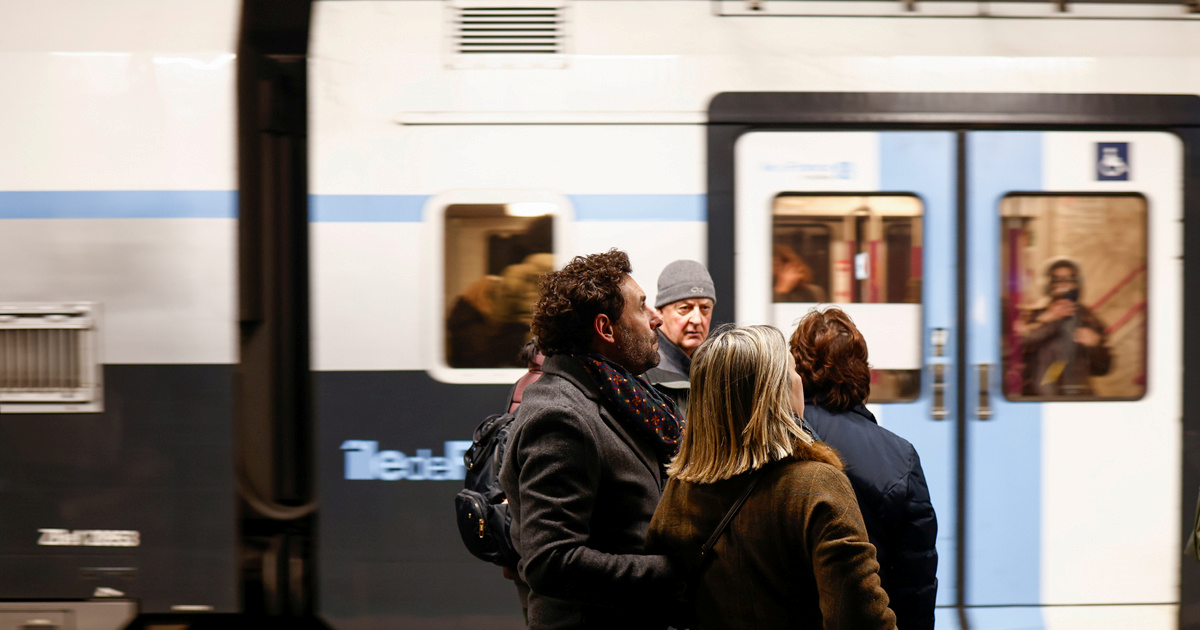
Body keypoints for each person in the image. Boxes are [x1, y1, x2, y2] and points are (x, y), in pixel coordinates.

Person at [647, 324, 896, 630]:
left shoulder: (679, 489)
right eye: (792, 371)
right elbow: (859, 616)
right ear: (774, 393)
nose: (799, 381)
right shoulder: (818, 485)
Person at [498, 249, 684, 630]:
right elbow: (551, 562)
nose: (657, 319)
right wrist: (674, 572)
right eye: (643, 307)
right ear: (606, 328)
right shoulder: (560, 417)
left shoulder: (624, 397)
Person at [789, 307, 938, 630]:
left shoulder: (776, 441)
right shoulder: (900, 457)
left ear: (795, 370)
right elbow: (916, 578)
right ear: (861, 371)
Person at [1020, 257, 1112, 396]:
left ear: (1077, 284)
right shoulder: (1034, 315)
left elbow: (1103, 369)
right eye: (1057, 279)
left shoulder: (1089, 318)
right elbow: (1020, 347)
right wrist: (1048, 319)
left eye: (1068, 279)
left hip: (1078, 399)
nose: (1063, 284)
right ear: (1048, 284)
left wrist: (1095, 345)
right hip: (1038, 399)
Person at [643, 259, 716, 415]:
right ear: (660, 312)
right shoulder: (645, 372)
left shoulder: (714, 372)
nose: (697, 319)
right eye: (685, 308)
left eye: (705, 308)